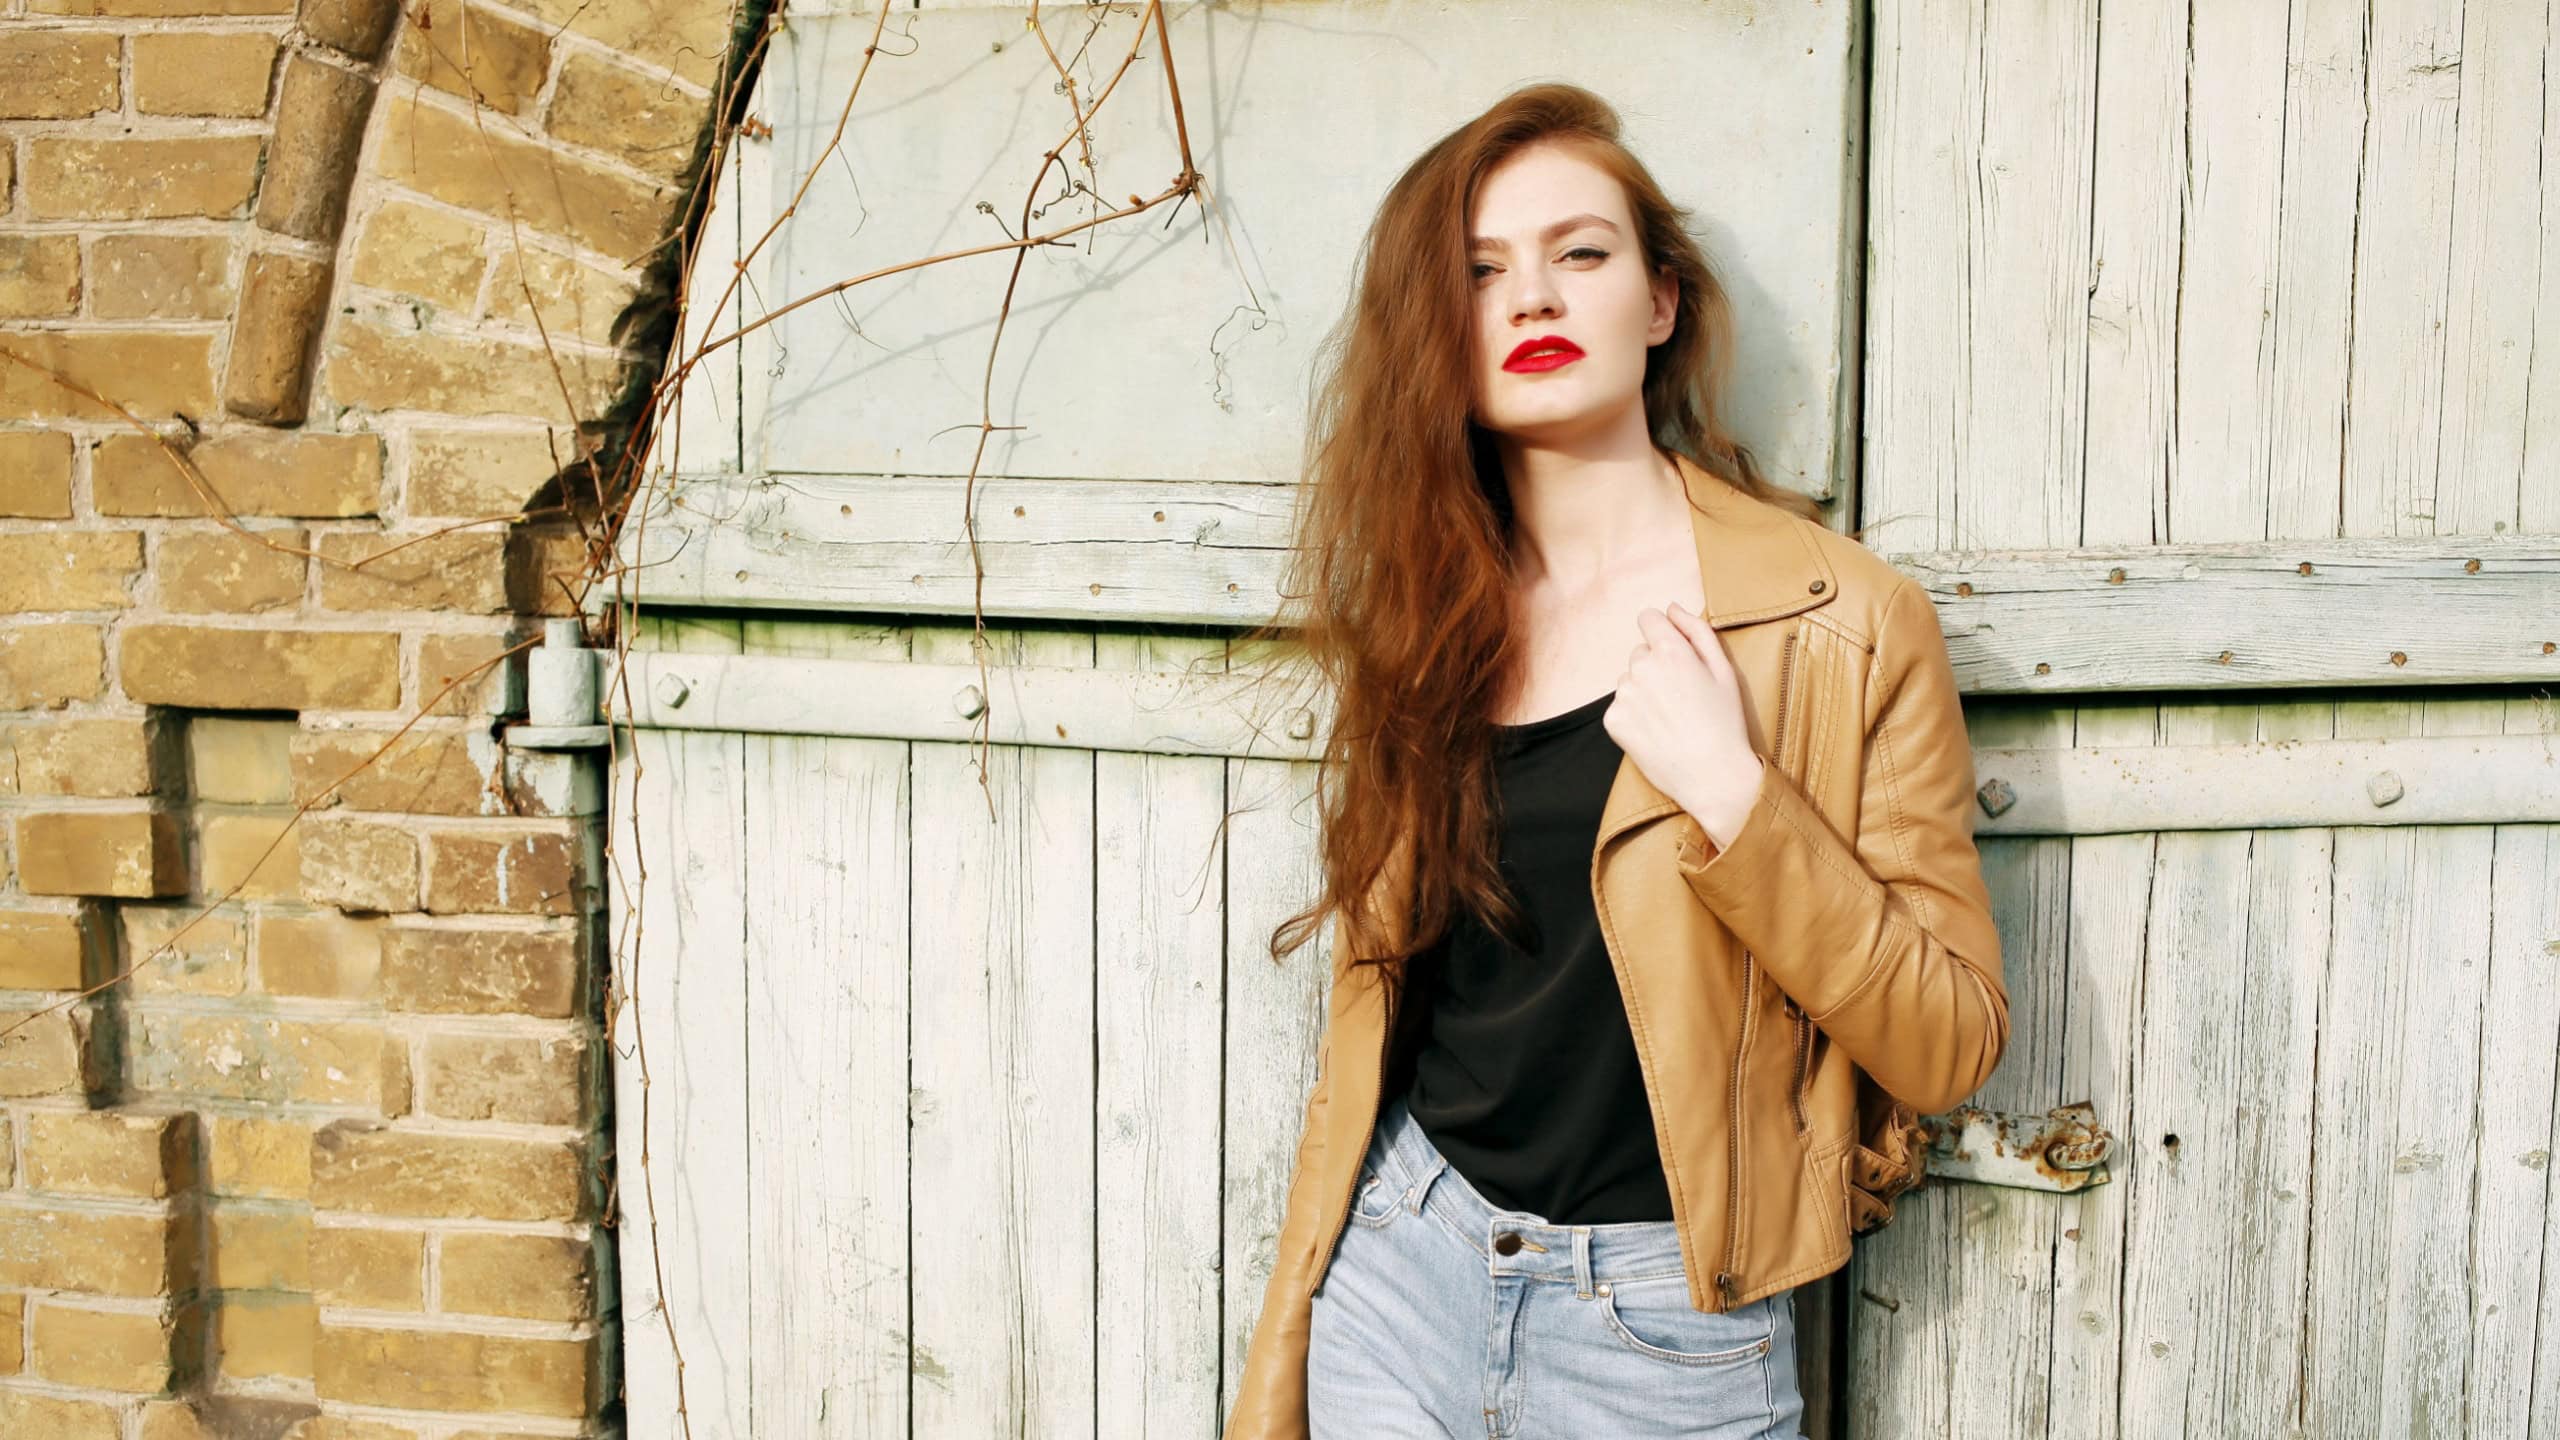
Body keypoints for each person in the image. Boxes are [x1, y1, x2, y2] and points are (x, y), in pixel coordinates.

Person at [1225, 82, 2010, 1440]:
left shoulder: (1844, 622)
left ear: (1659, 301)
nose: (1532, 297)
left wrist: (1741, 802)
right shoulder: (1425, 617)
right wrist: (1285, 1347)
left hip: (1663, 1337)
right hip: (1405, 1271)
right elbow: (1363, 1034)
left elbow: (1950, 1043)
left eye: (1579, 253)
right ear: (1441, 338)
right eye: (1482, 273)